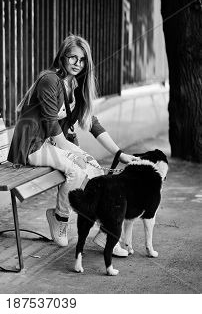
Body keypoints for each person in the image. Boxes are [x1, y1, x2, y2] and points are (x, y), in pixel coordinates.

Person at [7, 34, 137, 256]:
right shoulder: (50, 81)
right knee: (76, 170)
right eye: (73, 58)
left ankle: (106, 232)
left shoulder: (75, 85)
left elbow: (92, 123)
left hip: (52, 143)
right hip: (33, 146)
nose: (78, 63)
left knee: (95, 170)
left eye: (83, 59)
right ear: (62, 57)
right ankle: (59, 217)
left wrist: (119, 153)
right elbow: (52, 129)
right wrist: (77, 155)